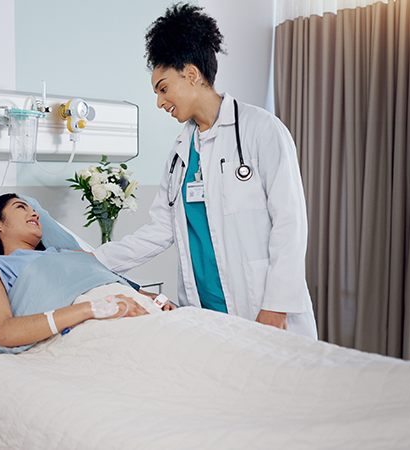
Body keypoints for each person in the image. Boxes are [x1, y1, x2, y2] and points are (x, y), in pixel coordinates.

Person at [93, 3, 317, 338]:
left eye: (163, 88)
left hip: (260, 308)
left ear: (192, 74)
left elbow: (290, 223)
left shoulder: (261, 130)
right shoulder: (179, 155)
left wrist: (276, 306)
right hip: (205, 314)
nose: (159, 102)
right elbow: (158, 232)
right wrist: (92, 258)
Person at [0, 194, 174, 348]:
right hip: (95, 325)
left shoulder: (68, 253)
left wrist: (152, 299)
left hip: (144, 314)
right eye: (21, 207)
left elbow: (110, 282)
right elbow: (4, 332)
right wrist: (93, 308)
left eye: (34, 209)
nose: (35, 214)